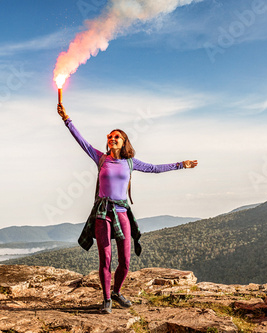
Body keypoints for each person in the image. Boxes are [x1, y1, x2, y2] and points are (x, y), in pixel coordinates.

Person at [57, 103, 198, 314]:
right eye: (110, 137)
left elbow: (154, 168)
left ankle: (117, 291)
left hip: (122, 212)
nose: (111, 139)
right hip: (103, 212)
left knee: (125, 261)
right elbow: (82, 141)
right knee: (105, 258)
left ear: (123, 142)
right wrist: (66, 118)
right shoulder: (101, 158)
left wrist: (181, 164)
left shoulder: (130, 163)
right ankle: (106, 299)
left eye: (117, 137)